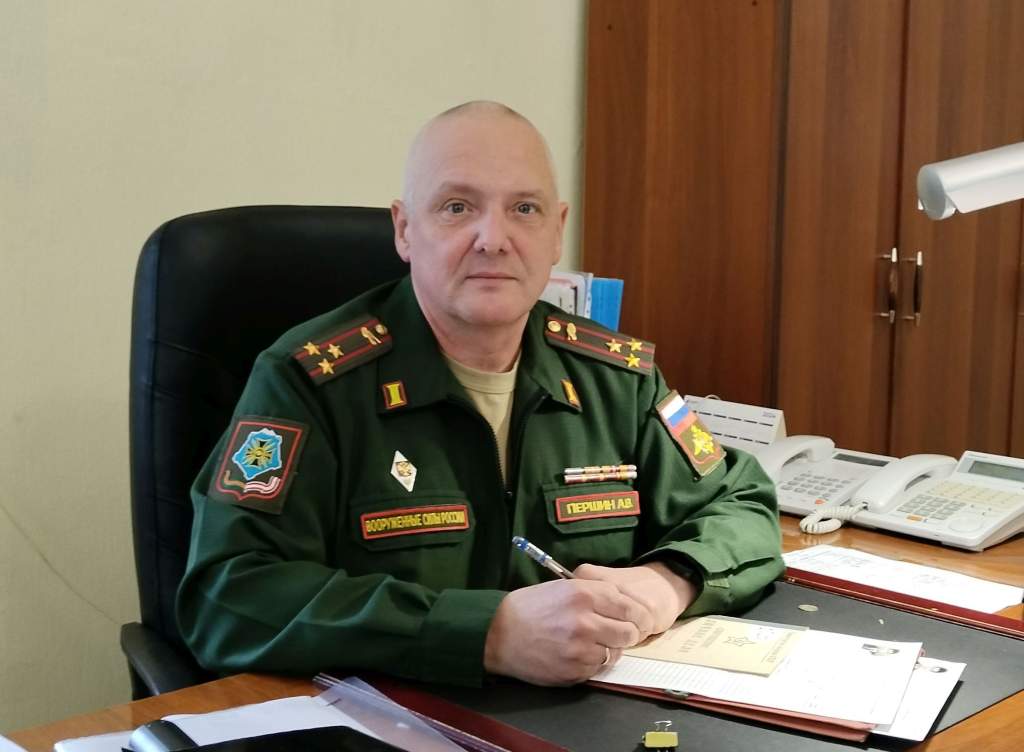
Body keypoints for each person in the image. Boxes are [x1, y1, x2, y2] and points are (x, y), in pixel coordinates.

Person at [176, 101, 783, 688]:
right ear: (405, 229)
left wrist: (669, 581)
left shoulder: (616, 378)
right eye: (457, 207)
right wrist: (485, 633)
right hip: (390, 723)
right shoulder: (308, 382)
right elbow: (228, 597)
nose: (494, 238)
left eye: (524, 208)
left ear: (556, 232)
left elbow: (743, 504)